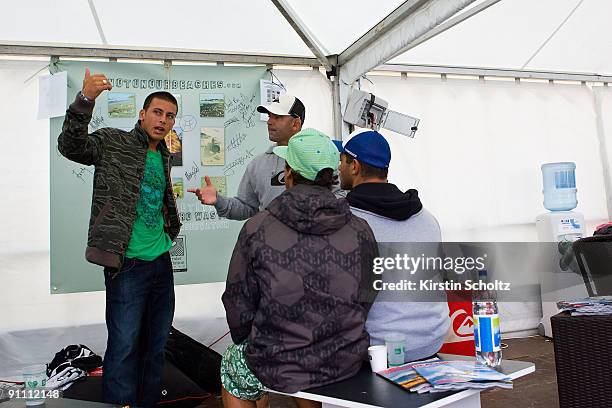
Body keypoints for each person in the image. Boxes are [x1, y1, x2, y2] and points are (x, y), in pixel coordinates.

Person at [220, 128, 379, 408]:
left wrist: (254, 339)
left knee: (232, 369)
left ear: (288, 173)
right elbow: (369, 292)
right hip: (344, 357)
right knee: (309, 371)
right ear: (332, 176)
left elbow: (237, 298)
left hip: (276, 358)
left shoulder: (257, 228)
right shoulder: (360, 228)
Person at [57, 68, 181, 407]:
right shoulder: (113, 141)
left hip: (160, 262)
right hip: (127, 265)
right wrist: (85, 100)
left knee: (155, 348)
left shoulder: (164, 154)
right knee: (125, 347)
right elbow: (70, 145)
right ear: (142, 115)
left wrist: (170, 232)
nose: (163, 120)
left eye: (170, 116)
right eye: (157, 112)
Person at [335, 130, 450, 362]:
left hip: (377, 349)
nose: (338, 169)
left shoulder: (345, 221)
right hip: (431, 339)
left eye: (342, 161)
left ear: (354, 166)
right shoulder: (427, 218)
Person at [190, 94, 305, 220]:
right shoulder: (258, 165)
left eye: (277, 117)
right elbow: (246, 207)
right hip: (270, 238)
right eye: (269, 116)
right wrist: (218, 200)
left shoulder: (317, 160)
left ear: (295, 123)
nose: (269, 121)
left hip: (311, 239)